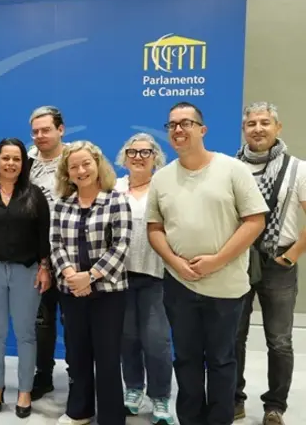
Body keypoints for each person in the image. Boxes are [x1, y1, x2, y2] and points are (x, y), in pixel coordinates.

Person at [146, 101, 268, 425]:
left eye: (186, 123)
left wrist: (216, 261)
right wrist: (174, 261)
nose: (178, 130)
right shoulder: (161, 178)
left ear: (203, 129)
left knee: (221, 361)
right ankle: (189, 419)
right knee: (185, 359)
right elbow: (154, 228)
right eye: (172, 124)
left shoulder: (233, 170)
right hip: (179, 285)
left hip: (226, 287)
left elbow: (255, 221)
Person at [0, 138, 51, 419]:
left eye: (16, 159)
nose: (11, 164)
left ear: (23, 163)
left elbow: (43, 236)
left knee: (26, 334)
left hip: (26, 273)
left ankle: (25, 390)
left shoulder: (34, 195)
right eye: (5, 158)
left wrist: (44, 267)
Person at [51, 140, 132, 425]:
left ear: (98, 165)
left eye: (86, 164)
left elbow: (121, 245)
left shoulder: (116, 199)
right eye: (74, 167)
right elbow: (56, 244)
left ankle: (111, 417)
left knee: (108, 358)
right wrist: (71, 276)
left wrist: (91, 276)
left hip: (108, 292)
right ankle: (80, 411)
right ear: (67, 173)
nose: (81, 170)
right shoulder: (62, 204)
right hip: (71, 291)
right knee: (77, 353)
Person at [234, 102, 304, 425]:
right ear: (244, 129)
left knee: (279, 340)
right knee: (233, 335)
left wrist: (291, 255)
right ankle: (233, 399)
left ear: (278, 127)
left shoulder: (298, 169)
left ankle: (274, 406)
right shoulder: (230, 167)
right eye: (251, 123)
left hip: (280, 263)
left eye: (265, 122)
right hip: (237, 262)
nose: (258, 128)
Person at [114, 134, 175, 425]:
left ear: (156, 157)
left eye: (145, 152)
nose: (138, 157)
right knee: (128, 339)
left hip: (156, 276)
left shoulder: (165, 188)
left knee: (157, 341)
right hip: (120, 277)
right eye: (132, 152)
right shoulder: (113, 188)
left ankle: (161, 397)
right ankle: (134, 389)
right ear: (124, 157)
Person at [26, 105, 66, 400]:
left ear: (60, 130)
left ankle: (78, 375)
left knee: (75, 320)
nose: (40, 136)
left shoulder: (76, 158)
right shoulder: (25, 160)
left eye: (46, 130)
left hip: (73, 252)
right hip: (36, 252)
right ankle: (43, 374)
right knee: (40, 320)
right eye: (36, 131)